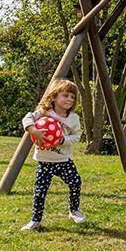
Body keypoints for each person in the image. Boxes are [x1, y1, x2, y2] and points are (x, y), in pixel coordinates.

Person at [21, 78, 85, 231]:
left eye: (72, 97)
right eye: (65, 95)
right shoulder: (44, 113)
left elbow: (77, 135)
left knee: (75, 182)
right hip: (44, 160)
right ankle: (35, 220)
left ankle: (74, 210)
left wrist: (62, 139)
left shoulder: (74, 119)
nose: (69, 99)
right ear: (54, 96)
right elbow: (27, 117)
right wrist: (33, 130)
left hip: (63, 160)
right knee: (40, 190)